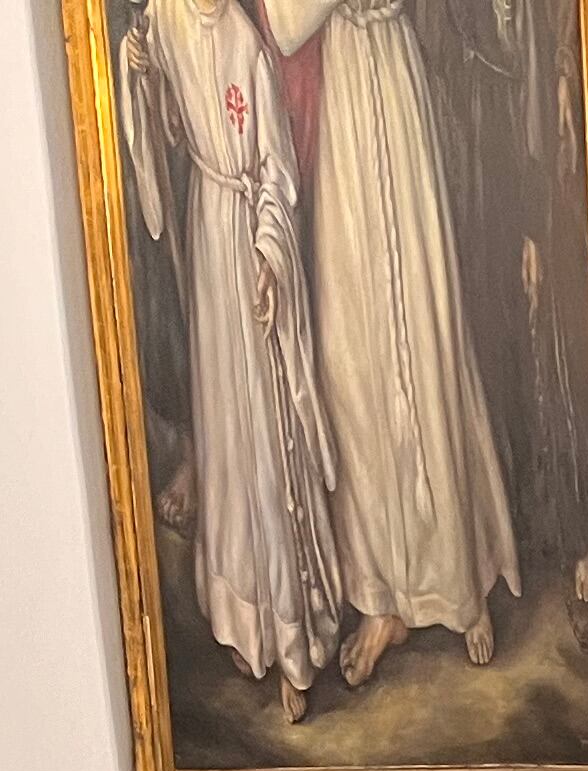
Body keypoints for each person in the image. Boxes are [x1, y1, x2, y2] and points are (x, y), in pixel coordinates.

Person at [259, 0, 523, 682]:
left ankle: (461, 581)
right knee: (356, 356)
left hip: (398, 92)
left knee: (429, 327)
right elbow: (288, 25)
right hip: (345, 97)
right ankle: (381, 600)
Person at [116, 0, 343, 716]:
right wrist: (138, 73)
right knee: (225, 430)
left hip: (247, 251)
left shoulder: (246, 41)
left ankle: (291, 641)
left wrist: (271, 255)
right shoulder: (167, 18)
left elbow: (277, 166)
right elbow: (150, 99)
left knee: (269, 444)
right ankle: (243, 621)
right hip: (208, 233)